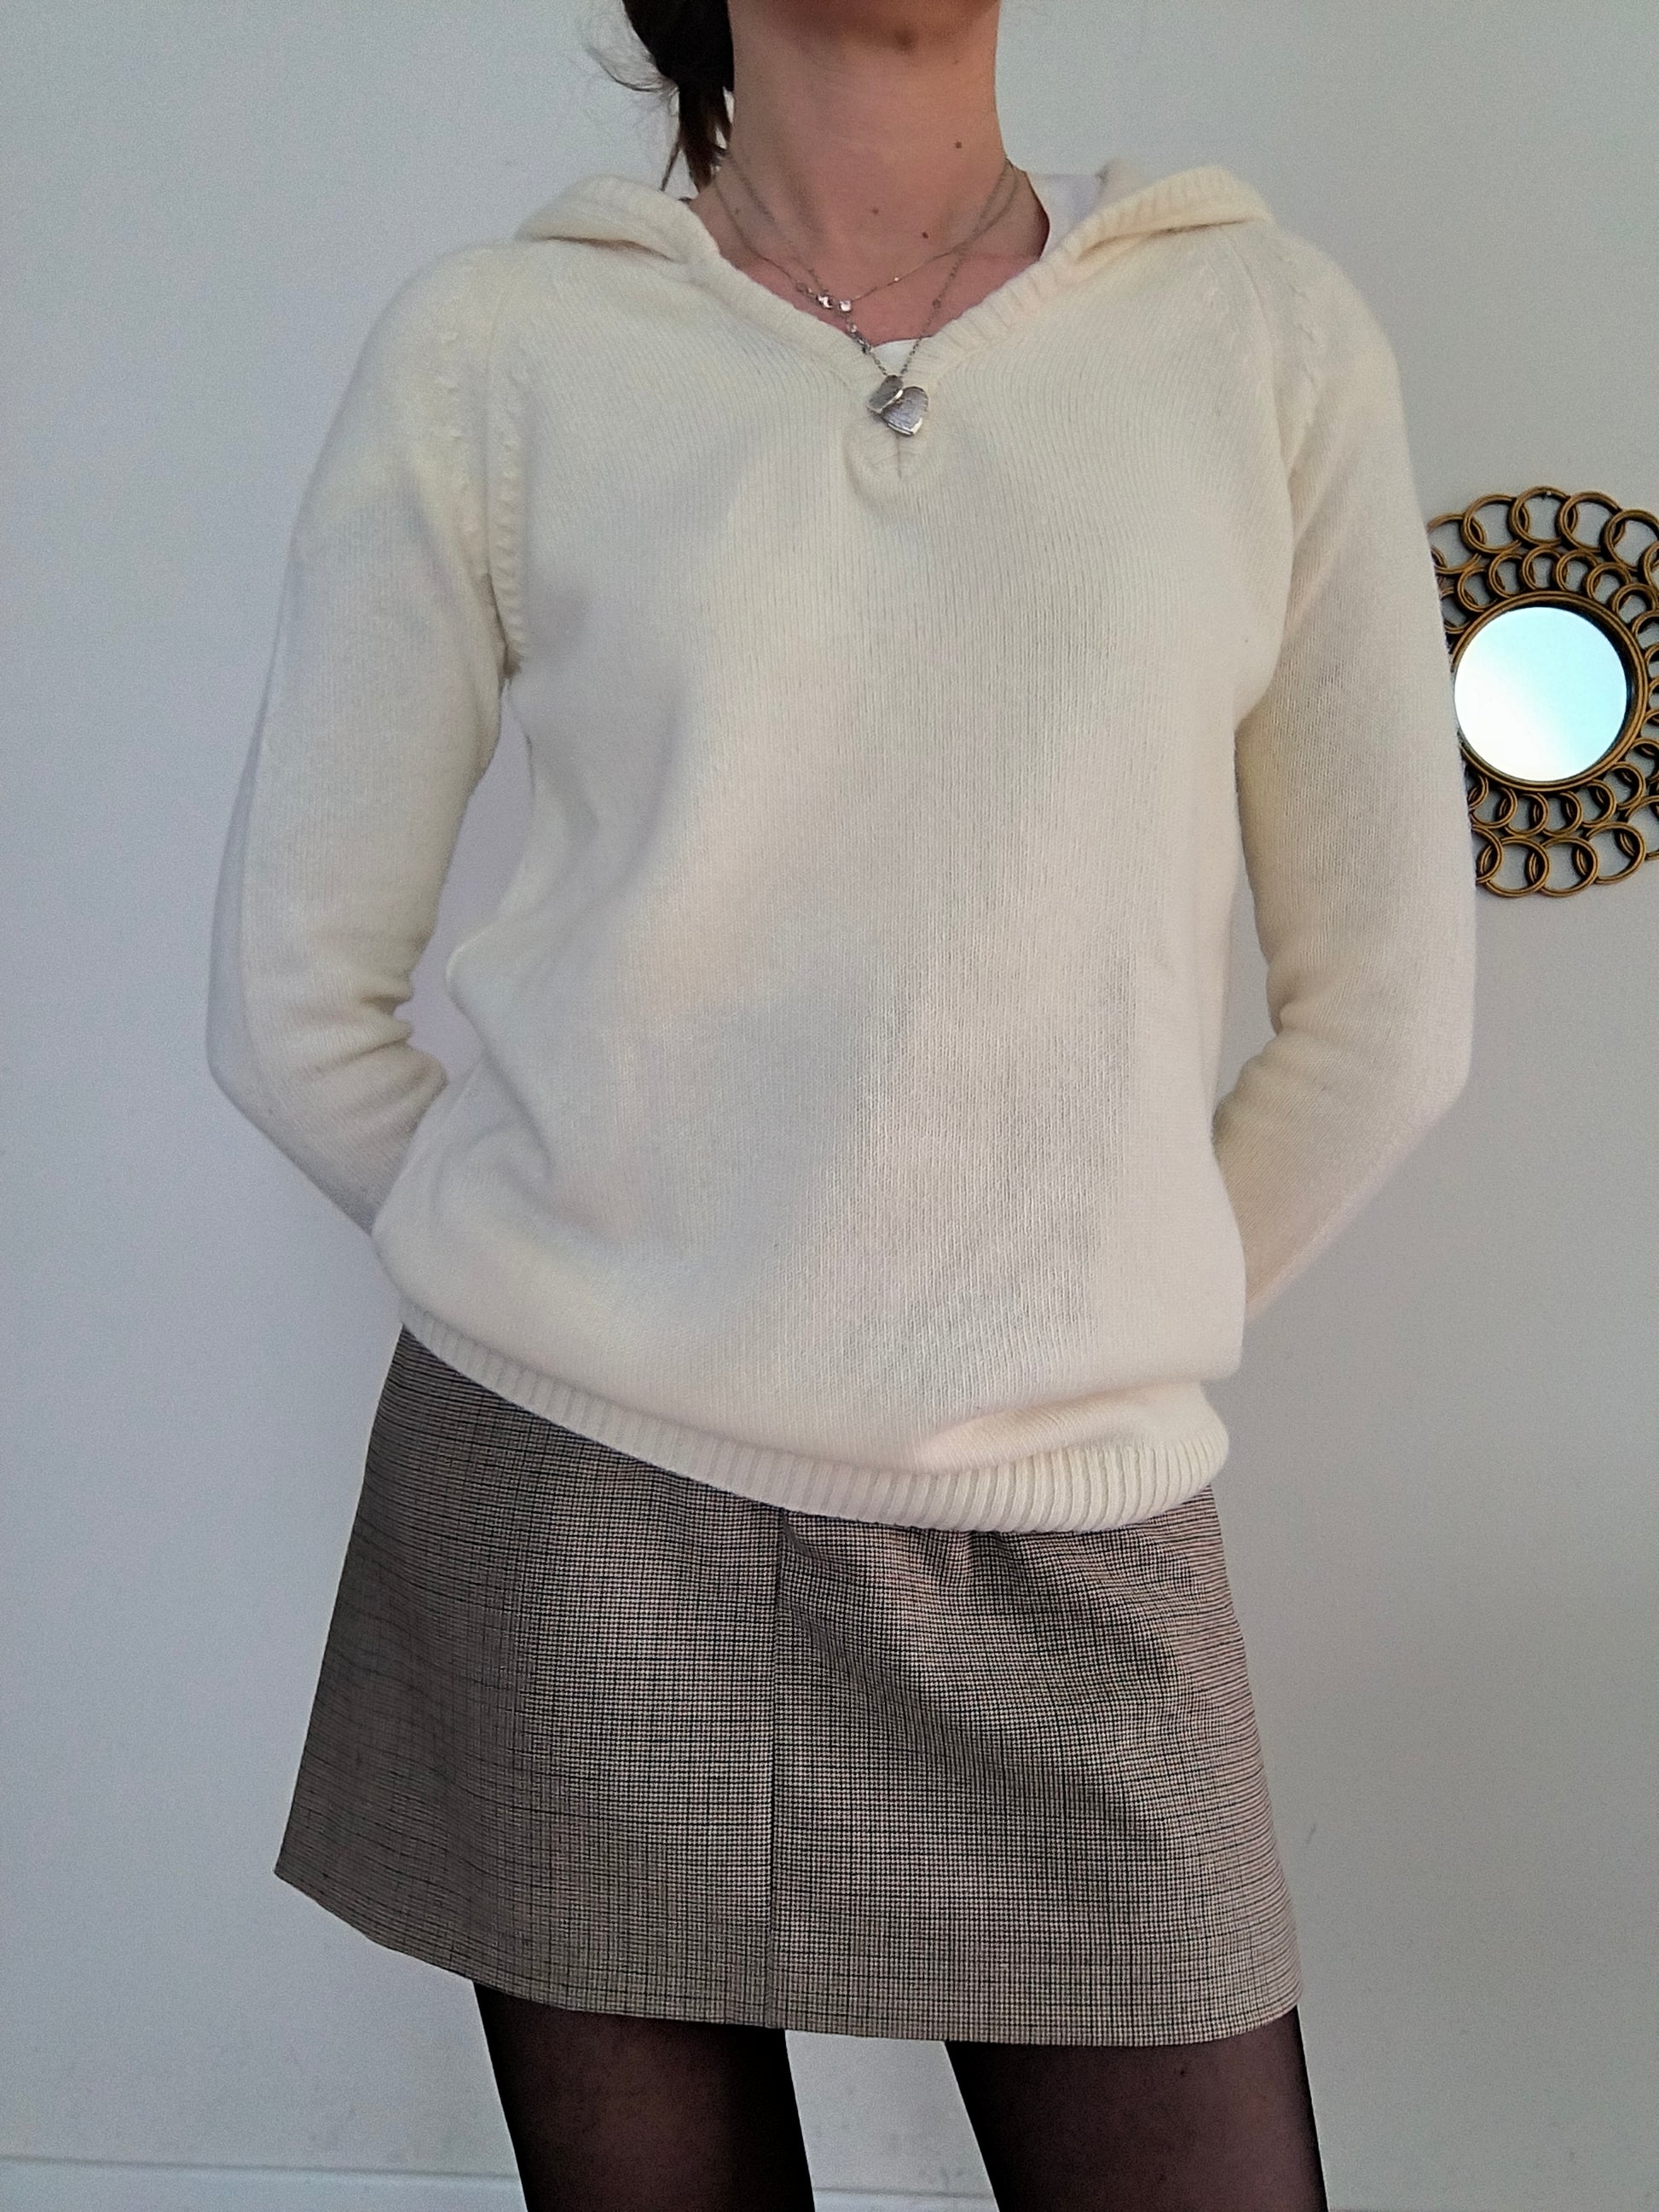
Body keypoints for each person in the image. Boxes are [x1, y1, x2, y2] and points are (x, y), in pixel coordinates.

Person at [206, 0, 1477, 2204]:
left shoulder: (1255, 335)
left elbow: (1385, 1017)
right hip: (574, 1506)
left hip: (1064, 1527)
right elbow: (292, 995)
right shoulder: (503, 350)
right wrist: (578, 1275)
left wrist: (1063, 1318)